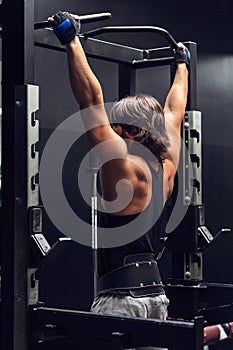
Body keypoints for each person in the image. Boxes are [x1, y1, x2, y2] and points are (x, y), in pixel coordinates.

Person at [48, 11, 189, 349]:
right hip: (157, 299)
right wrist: (181, 64)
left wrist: (71, 40)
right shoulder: (167, 161)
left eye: (115, 127)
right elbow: (175, 110)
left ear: (124, 130)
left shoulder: (121, 162)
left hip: (121, 301)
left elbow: (90, 100)